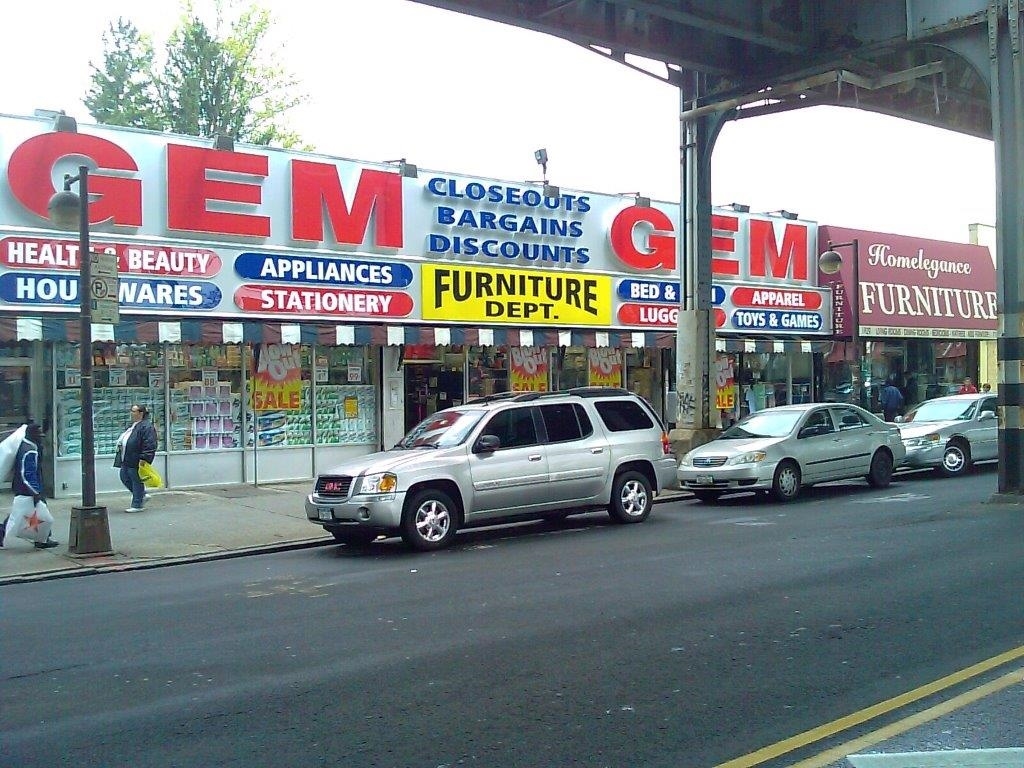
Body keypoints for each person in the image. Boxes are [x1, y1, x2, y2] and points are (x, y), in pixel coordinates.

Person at [0, 422, 58, 549]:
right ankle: (42, 539)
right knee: (35, 513)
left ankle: (43, 538)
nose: (41, 437)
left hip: (25, 488)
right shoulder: (30, 451)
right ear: (32, 436)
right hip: (29, 489)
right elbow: (27, 474)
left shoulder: (26, 446)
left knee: (21, 513)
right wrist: (35, 492)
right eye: (39, 435)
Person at [117, 404, 158, 513]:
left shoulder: (146, 426)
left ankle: (137, 504)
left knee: (136, 480)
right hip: (127, 458)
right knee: (124, 476)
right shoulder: (134, 425)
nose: (131, 413)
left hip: (136, 459)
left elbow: (150, 443)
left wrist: (144, 457)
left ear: (141, 413)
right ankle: (142, 495)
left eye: (133, 411)